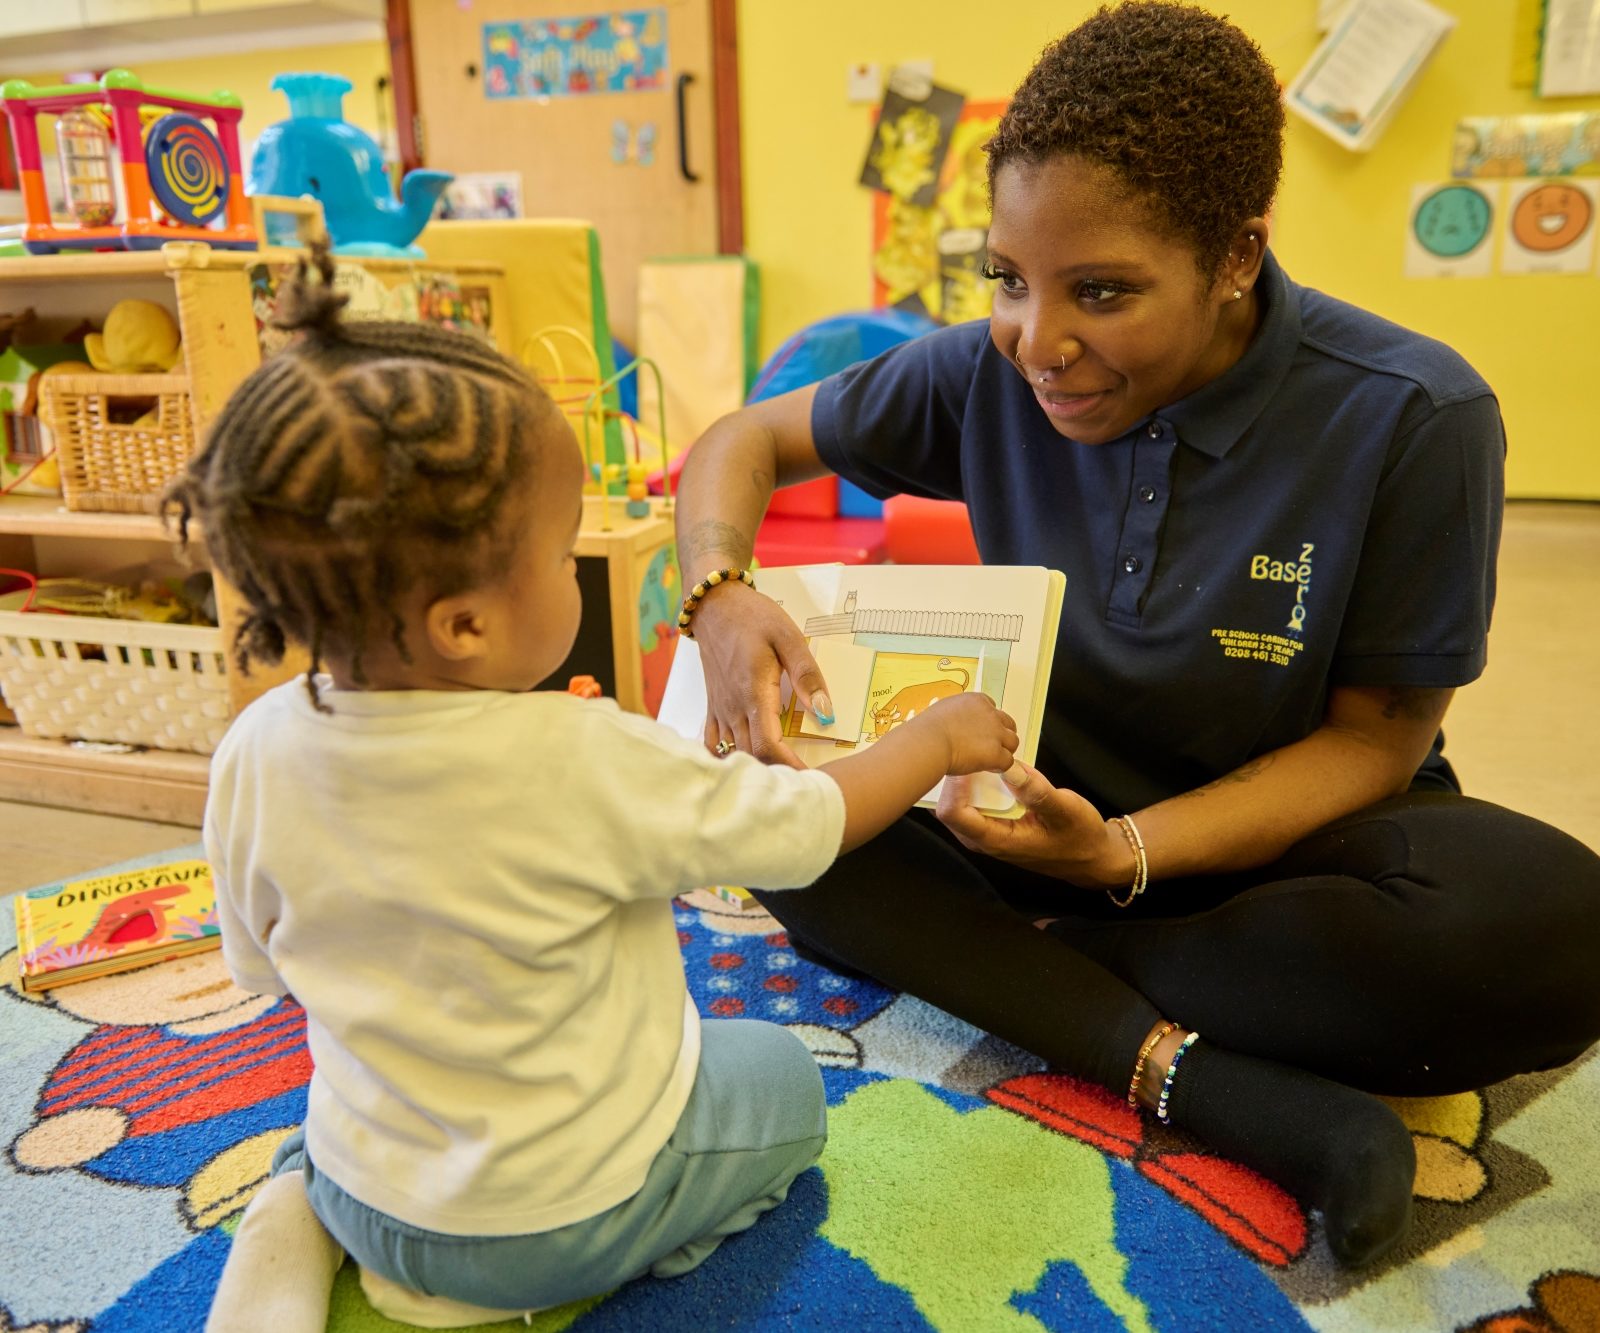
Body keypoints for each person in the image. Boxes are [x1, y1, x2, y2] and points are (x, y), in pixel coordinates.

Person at [672, 0, 1600, 1270]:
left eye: (1101, 292)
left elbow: (1377, 742)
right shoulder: (985, 371)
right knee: (789, 828)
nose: (1037, 344)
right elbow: (744, 440)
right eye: (1005, 279)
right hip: (1026, 823)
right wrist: (718, 594)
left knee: (1554, 924)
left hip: (1281, 860)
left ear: (1235, 255)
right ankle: (1220, 1085)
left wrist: (1120, 856)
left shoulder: (1414, 414)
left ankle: (1048, 977)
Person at [174, 247, 1021, 1331]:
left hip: (377, 1185)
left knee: (332, 1116)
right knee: (784, 1087)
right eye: (559, 547)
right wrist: (935, 736)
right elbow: (810, 825)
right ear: (466, 626)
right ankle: (547, 1281)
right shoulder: (590, 758)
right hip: (562, 1216)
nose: (574, 558)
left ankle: (299, 1225)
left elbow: (264, 970)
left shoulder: (254, 748)